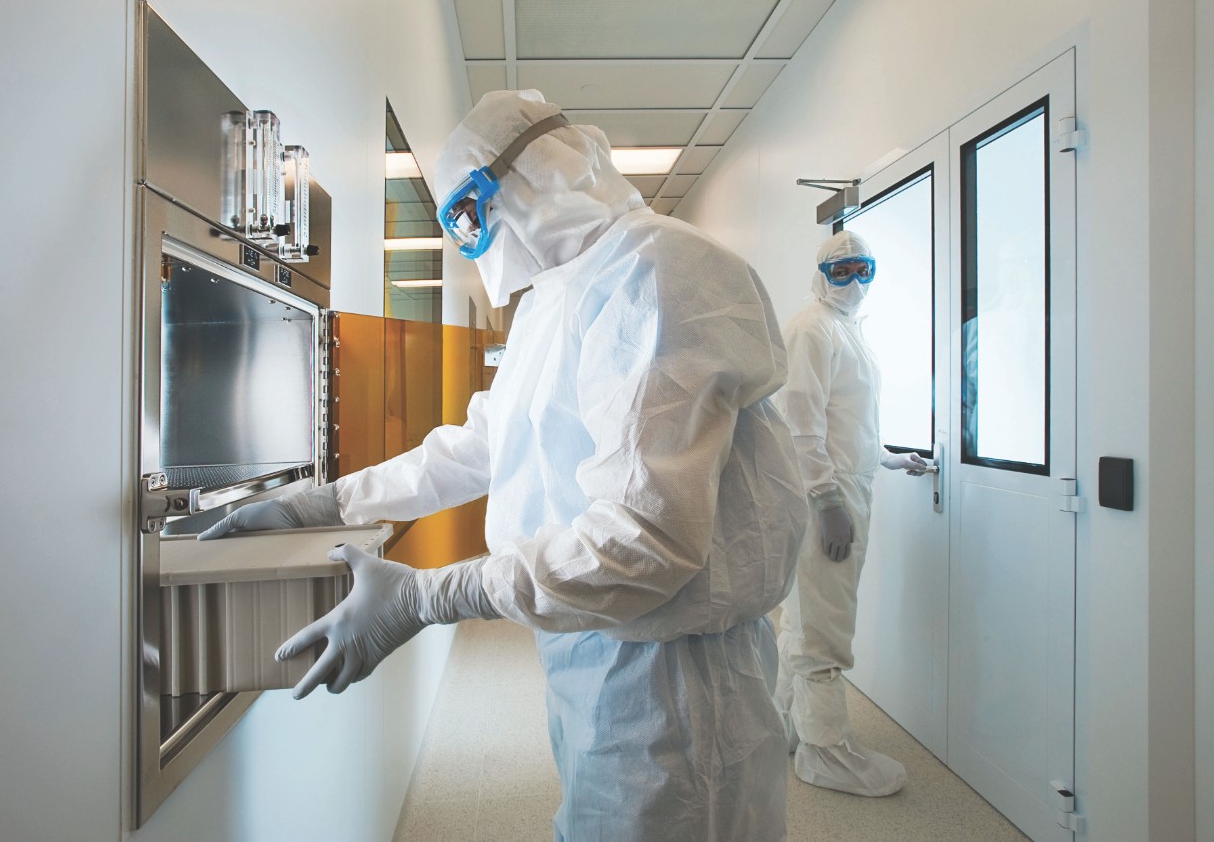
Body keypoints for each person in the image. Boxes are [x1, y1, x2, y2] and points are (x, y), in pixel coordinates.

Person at [200, 89, 808, 841]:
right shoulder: (556, 299)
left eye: (465, 216)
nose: (468, 241)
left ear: (523, 181)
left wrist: (429, 596)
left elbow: (646, 541)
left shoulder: (654, 272)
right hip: (596, 647)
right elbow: (482, 444)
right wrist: (321, 503)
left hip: (680, 683)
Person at [772, 230, 930, 797]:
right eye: (841, 271)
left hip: (845, 486)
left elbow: (846, 424)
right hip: (829, 498)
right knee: (826, 628)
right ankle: (825, 752)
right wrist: (827, 503)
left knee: (806, 618)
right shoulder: (811, 329)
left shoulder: (846, 332)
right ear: (820, 274)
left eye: (864, 269)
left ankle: (785, 728)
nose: (855, 282)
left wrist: (887, 459)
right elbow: (801, 424)